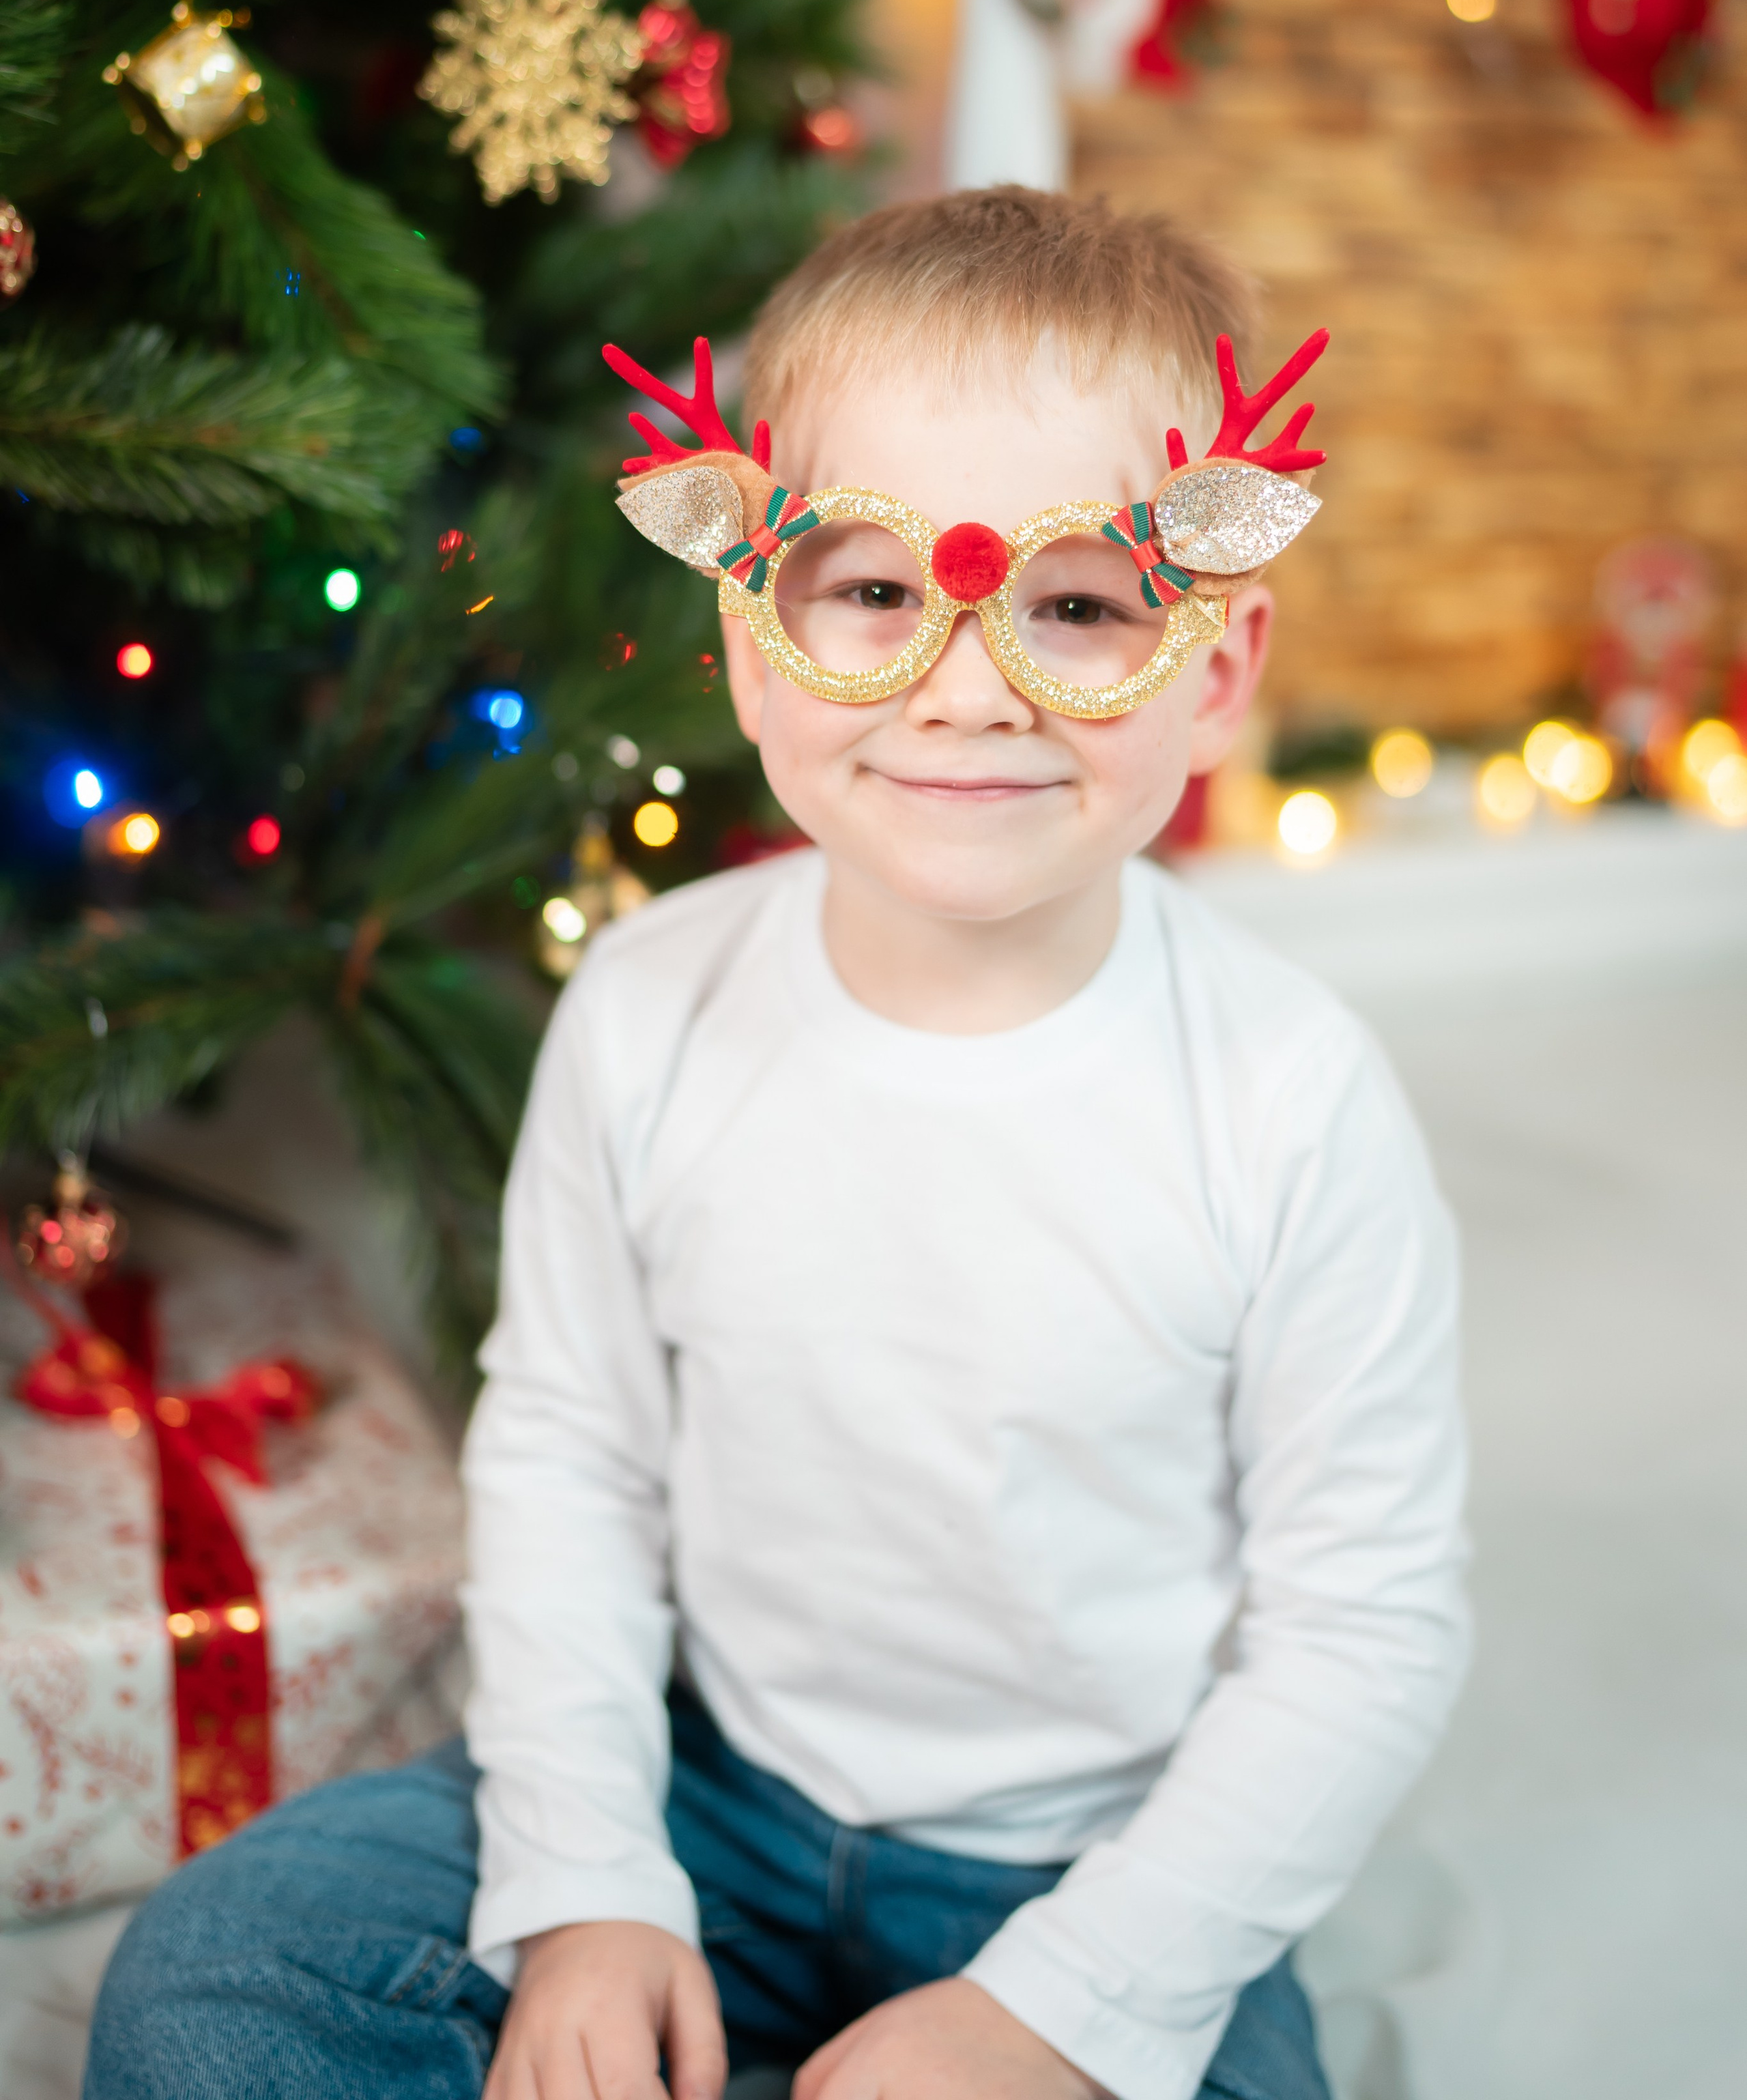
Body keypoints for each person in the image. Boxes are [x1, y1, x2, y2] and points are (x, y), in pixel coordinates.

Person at [87, 187, 1467, 2100]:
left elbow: (1365, 1629)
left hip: (1102, 1861)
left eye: (1080, 603)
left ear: (1216, 672)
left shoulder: (1294, 1102)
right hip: (711, 1788)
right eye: (876, 592)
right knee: (215, 1998)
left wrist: (1061, 2007)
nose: (967, 687)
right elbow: (572, 1454)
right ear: (753, 646)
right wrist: (590, 1876)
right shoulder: (647, 1010)